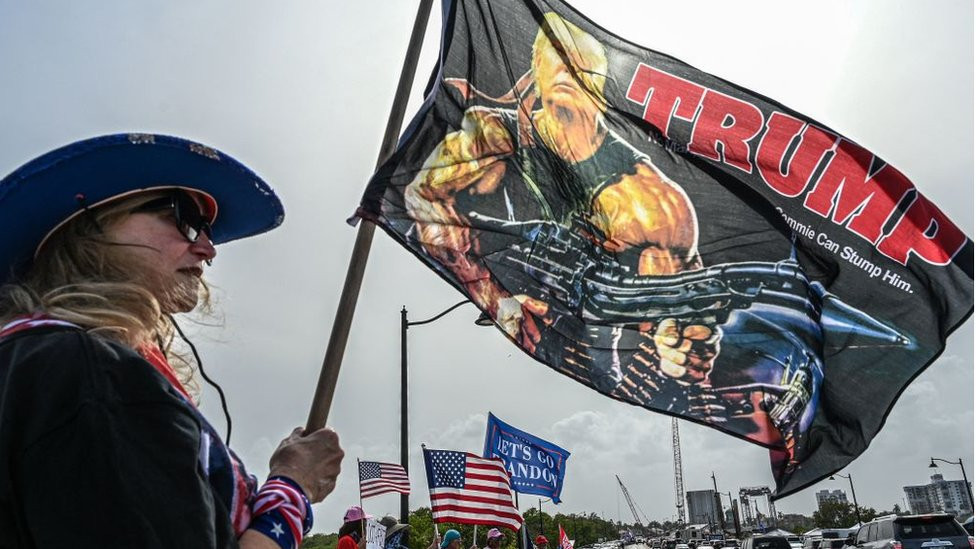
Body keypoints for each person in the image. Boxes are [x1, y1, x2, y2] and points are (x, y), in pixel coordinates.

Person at [0, 133, 344, 548]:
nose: (207, 249)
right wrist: (294, 487)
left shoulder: (37, 364)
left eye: (207, 230)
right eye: (182, 217)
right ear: (90, 227)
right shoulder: (91, 373)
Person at [403, 12, 719, 410]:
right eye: (554, 98)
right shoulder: (495, 138)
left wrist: (680, 349)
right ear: (533, 86)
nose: (564, 118)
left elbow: (681, 324)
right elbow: (420, 199)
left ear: (600, 91)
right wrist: (493, 293)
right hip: (528, 310)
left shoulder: (649, 205)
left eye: (579, 95)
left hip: (587, 344)